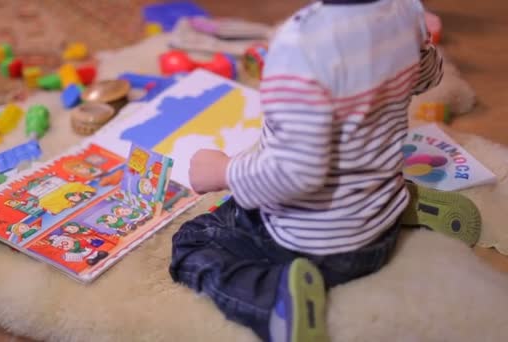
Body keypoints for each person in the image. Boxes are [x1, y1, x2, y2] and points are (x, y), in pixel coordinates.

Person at [169, 1, 481, 341]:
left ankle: (271, 303)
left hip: (321, 247)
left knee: (193, 240)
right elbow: (428, 76)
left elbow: (295, 174)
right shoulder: (404, 12)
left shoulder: (300, 48)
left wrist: (223, 171)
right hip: (380, 215)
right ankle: (403, 203)